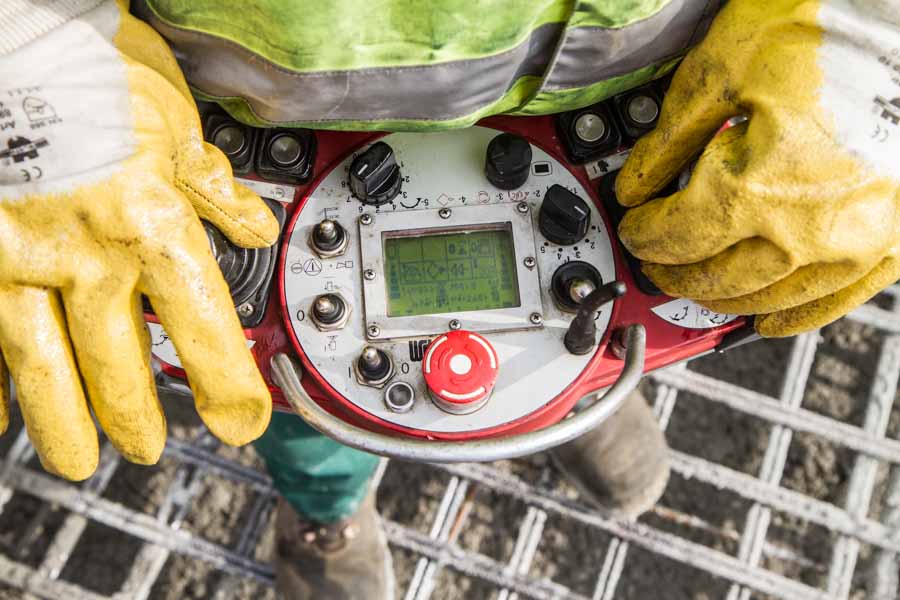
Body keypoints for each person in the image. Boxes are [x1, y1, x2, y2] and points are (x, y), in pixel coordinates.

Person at [0, 0, 897, 598]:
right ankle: (328, 509)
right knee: (287, 399)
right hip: (221, 123)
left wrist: (874, 36)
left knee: (610, 296)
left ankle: (574, 399)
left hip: (659, 93)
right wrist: (32, 51)